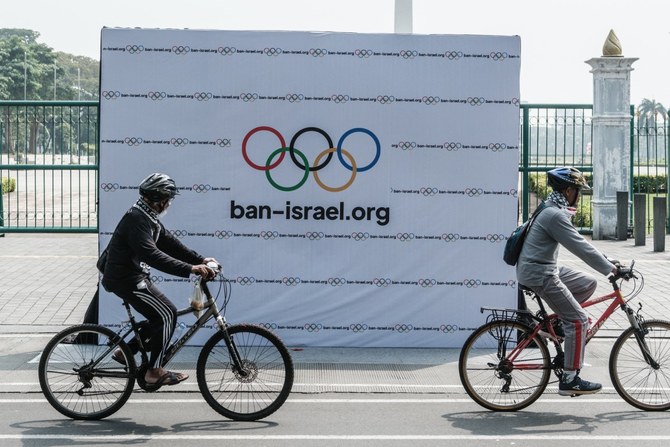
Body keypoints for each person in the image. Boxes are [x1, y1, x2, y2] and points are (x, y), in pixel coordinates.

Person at [100, 173, 217, 387]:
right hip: (125, 279)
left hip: (134, 276)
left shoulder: (147, 216)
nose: (169, 204)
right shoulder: (136, 219)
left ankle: (124, 351)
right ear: (160, 200)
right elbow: (151, 255)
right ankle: (154, 372)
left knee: (159, 315)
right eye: (169, 199)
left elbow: (170, 243)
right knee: (167, 314)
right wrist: (191, 268)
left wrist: (200, 259)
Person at [516, 167, 619, 396]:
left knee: (587, 283)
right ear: (569, 190)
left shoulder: (552, 208)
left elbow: (581, 243)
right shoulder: (554, 215)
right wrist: (610, 270)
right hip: (539, 274)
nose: (579, 195)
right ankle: (570, 378)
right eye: (578, 191)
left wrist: (610, 260)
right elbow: (580, 247)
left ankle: (562, 322)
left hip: (542, 268)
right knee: (580, 320)